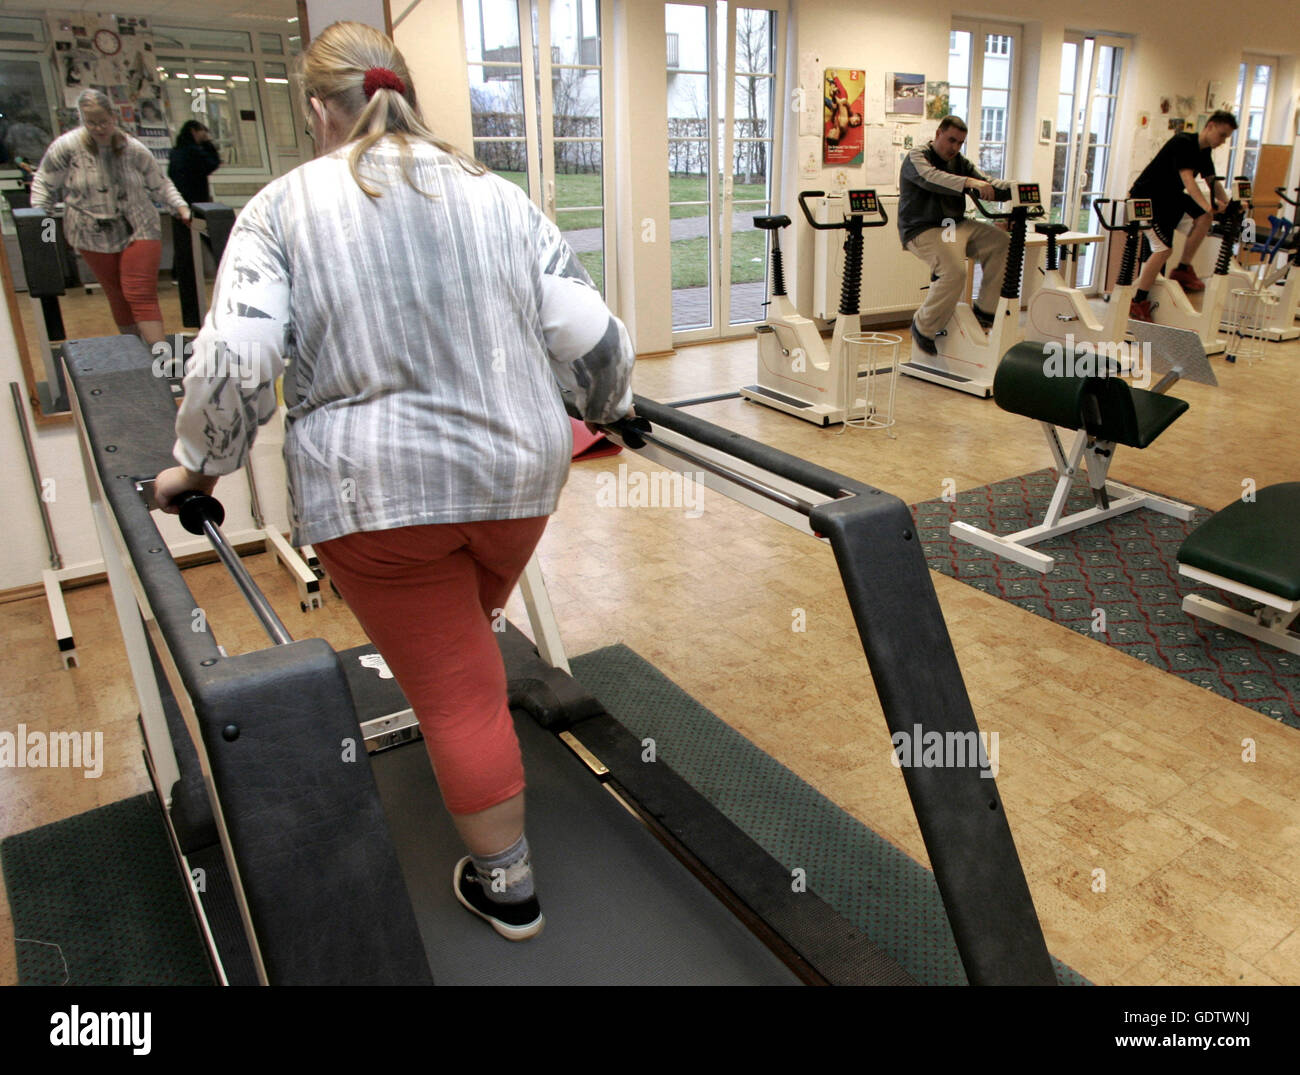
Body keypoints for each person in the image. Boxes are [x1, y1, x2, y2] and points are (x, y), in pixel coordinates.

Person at [152, 21, 635, 943]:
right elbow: (595, 343)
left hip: (379, 498)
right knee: (462, 646)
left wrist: (197, 467)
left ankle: (507, 883)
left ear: (316, 109)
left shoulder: (283, 205)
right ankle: (477, 751)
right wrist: (608, 408)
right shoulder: (499, 196)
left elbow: (236, 362)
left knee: (457, 690)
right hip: (520, 482)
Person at [30, 89, 190, 348]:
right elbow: (44, 183)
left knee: (139, 291)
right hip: (90, 229)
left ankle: (160, 354)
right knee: (116, 294)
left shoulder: (133, 148)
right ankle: (134, 351)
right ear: (82, 120)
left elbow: (160, 184)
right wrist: (39, 217)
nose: (99, 128)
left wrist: (181, 207)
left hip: (138, 224)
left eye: (103, 121)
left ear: (113, 118)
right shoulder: (67, 147)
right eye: (91, 122)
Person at [897, 115, 1011, 355]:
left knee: (1001, 242)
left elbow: (987, 182)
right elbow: (933, 179)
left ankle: (984, 313)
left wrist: (1018, 189)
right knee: (955, 271)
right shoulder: (917, 157)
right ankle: (923, 326)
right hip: (922, 228)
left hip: (953, 224)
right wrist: (971, 183)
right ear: (938, 134)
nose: (955, 147)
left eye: (960, 143)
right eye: (951, 140)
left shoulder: (960, 162)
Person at [1128, 110, 1237, 321]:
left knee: (1204, 219)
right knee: (1163, 249)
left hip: (1170, 198)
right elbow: (1189, 181)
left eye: (1226, 137)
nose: (1223, 141)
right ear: (1211, 126)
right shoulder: (1183, 142)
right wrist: (1209, 206)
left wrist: (1230, 206)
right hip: (1146, 198)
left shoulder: (1204, 152)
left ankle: (1183, 268)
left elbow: (1212, 182)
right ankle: (1138, 300)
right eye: (1222, 135)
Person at [168, 120, 221, 327]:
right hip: (196, 211)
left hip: (182, 211)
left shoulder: (176, 152)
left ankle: (176, 277)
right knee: (213, 243)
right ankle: (226, 269)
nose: (204, 136)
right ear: (194, 132)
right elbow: (212, 163)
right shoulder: (193, 151)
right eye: (202, 132)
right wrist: (208, 144)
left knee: (185, 253)